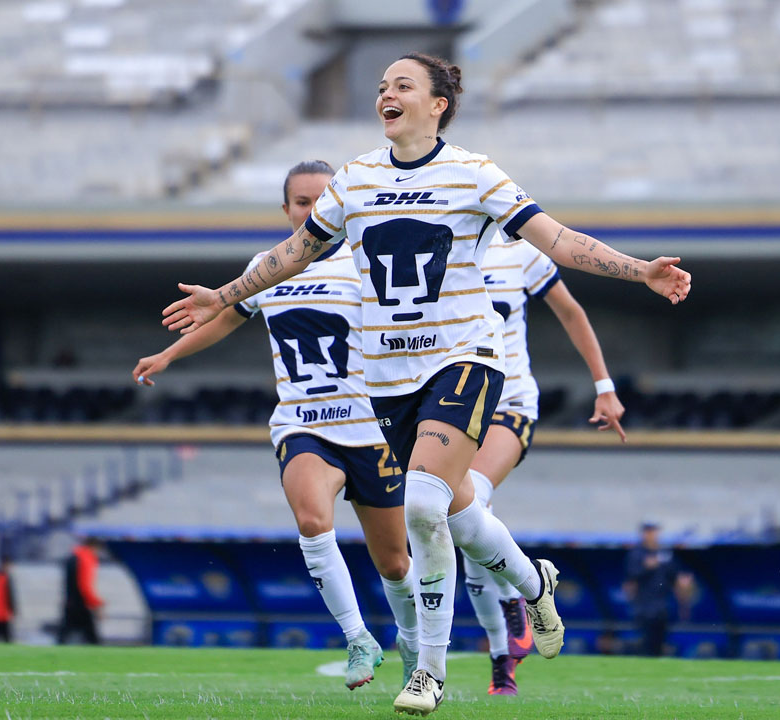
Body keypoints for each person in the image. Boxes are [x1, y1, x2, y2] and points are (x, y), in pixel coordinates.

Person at [161, 52, 691, 715]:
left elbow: (556, 240)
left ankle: (429, 674)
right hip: (387, 381)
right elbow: (293, 253)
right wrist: (228, 295)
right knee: (464, 516)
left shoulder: (474, 174)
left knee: (421, 508)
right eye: (381, 85)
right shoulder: (353, 181)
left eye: (402, 85)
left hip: (465, 361)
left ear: (437, 104)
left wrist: (640, 270)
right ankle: (535, 583)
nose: (387, 92)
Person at [132, 160, 419, 689]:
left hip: (370, 429)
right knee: (312, 521)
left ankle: (412, 641)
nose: (311, 211)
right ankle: (359, 639)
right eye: (301, 202)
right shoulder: (267, 266)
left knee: (397, 564)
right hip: (303, 422)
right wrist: (169, 355)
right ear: (287, 210)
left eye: (321, 200)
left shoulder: (365, 261)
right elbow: (224, 315)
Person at [463, 228, 626, 695]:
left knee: (471, 496)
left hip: (509, 403)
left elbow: (571, 312)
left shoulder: (520, 254)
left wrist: (604, 387)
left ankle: (521, 597)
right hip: (453, 404)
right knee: (459, 521)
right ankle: (504, 654)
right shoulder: (436, 249)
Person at [623, 521, 693, 657]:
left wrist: (682, 582)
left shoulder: (665, 553)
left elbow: (674, 575)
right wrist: (646, 567)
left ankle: (654, 664)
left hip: (663, 605)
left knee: (659, 642)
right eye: (649, 532)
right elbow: (631, 576)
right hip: (643, 606)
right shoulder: (636, 553)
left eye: (654, 531)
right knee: (645, 641)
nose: (652, 535)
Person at [58, 537, 103, 644]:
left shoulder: (73, 557)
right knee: (92, 637)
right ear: (93, 547)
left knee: (65, 634)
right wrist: (96, 603)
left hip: (70, 603)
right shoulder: (86, 559)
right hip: (81, 604)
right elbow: (85, 585)